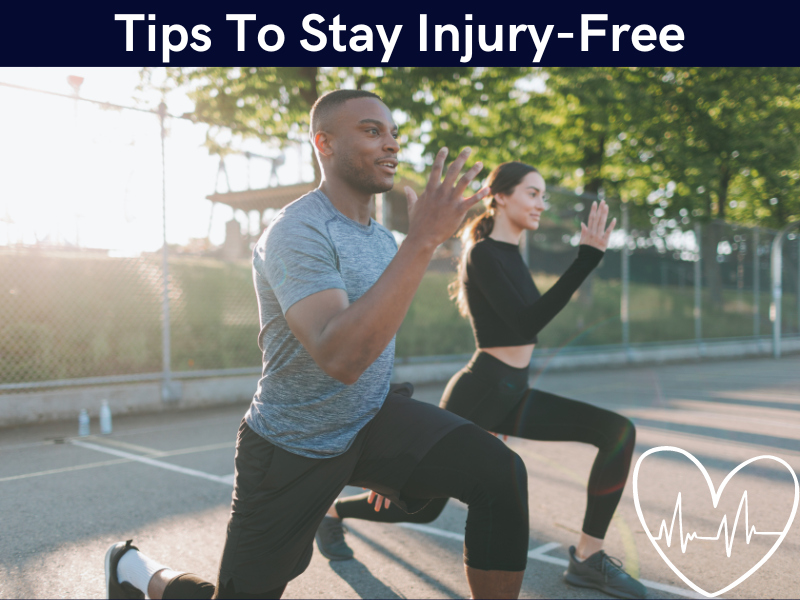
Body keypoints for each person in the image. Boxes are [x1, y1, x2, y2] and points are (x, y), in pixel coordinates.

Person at [104, 90, 533, 600]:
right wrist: (423, 241)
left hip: (371, 422)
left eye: (393, 133)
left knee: (500, 474)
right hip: (293, 445)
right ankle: (135, 570)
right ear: (323, 142)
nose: (390, 144)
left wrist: (397, 450)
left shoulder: (380, 240)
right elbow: (340, 356)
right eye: (372, 131)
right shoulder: (296, 231)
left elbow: (375, 341)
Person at [316, 162, 648, 600]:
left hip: (515, 392)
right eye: (532, 193)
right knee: (421, 507)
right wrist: (585, 260)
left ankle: (587, 558)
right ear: (501, 196)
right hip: (480, 392)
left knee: (617, 432)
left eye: (543, 195)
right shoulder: (484, 254)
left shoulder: (511, 256)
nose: (541, 204)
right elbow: (526, 322)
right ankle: (333, 512)